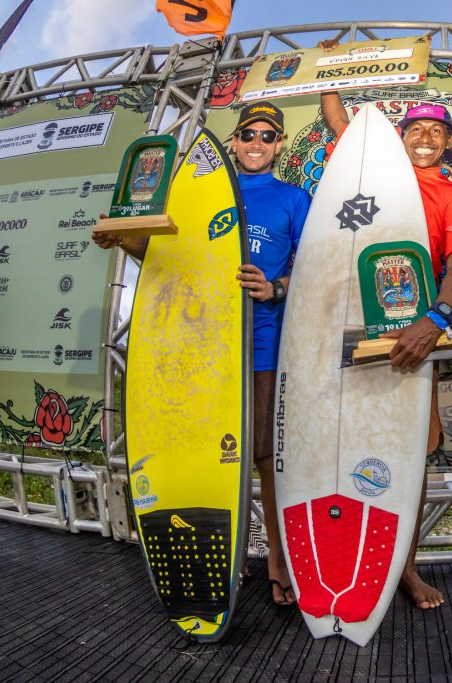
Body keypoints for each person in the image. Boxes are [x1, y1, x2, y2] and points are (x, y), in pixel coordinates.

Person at [93, 101, 311, 606]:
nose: (256, 143)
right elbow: (162, 258)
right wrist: (123, 239)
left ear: (279, 145)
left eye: (266, 136)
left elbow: (315, 266)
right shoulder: (194, 193)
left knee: (264, 459)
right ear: (233, 142)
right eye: (248, 135)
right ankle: (228, 562)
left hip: (259, 348)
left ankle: (278, 562)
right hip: (197, 350)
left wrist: (276, 287)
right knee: (210, 458)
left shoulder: (293, 198)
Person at [319, 53, 452, 610]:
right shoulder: (373, 172)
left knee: (414, 453)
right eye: (416, 129)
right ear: (400, 136)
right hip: (354, 330)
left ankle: (404, 570)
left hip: (416, 336)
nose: (427, 138)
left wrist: (435, 321)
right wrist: (328, 70)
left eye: (438, 131)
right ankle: (348, 562)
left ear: (449, 142)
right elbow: (339, 123)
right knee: (346, 446)